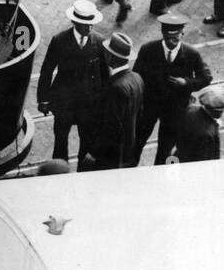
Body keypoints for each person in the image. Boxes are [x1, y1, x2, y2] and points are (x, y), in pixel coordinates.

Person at [133, 13, 212, 165]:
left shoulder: (191, 54)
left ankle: (158, 176)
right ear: (162, 33)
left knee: (165, 149)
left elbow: (206, 77)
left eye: (175, 38)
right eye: (167, 38)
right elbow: (137, 77)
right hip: (149, 107)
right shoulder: (148, 50)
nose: (171, 42)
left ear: (182, 33)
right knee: (137, 142)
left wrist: (186, 83)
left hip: (174, 111)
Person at [37, 0, 107, 163]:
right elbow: (46, 71)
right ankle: (59, 172)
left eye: (91, 24)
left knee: (87, 142)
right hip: (64, 103)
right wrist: (43, 99)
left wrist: (103, 102)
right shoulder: (59, 40)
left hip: (88, 105)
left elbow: (104, 75)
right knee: (60, 142)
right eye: (85, 25)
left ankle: (83, 174)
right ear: (74, 22)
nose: (89, 28)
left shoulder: (99, 41)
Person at [82, 32, 141, 170]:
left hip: (109, 152)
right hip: (127, 146)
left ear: (111, 56)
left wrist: (94, 152)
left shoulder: (116, 87)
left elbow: (112, 125)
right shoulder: (136, 78)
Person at [167, 84, 223, 162]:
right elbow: (209, 161)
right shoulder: (208, 134)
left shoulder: (191, 109)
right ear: (218, 112)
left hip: (180, 156)